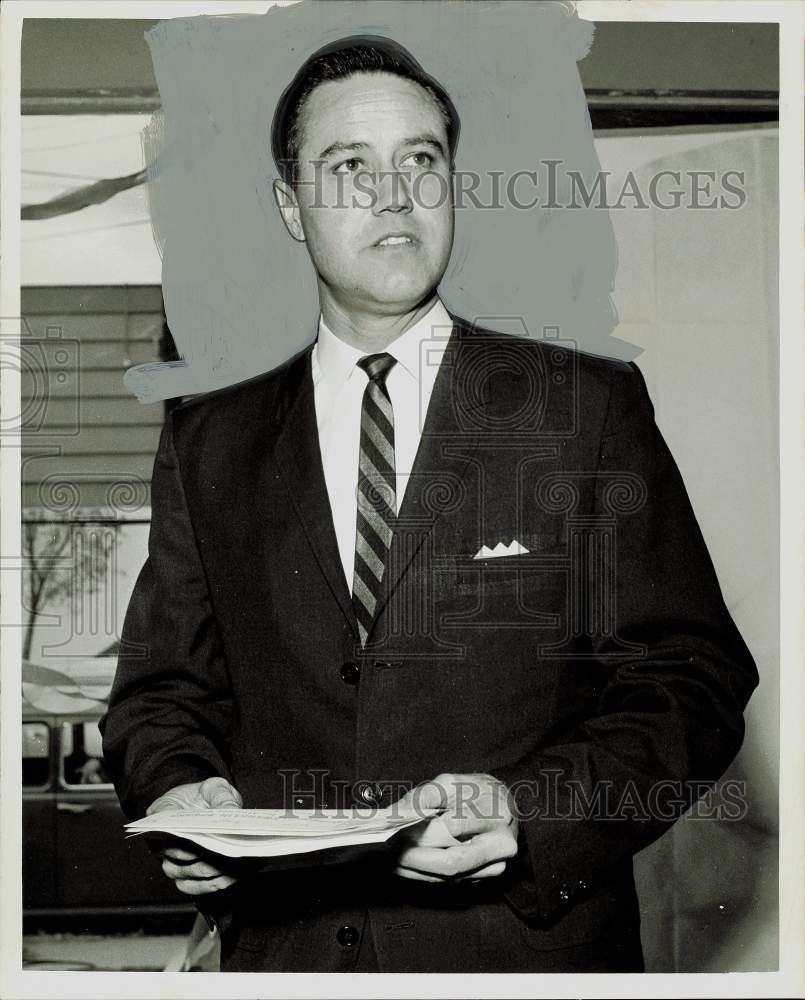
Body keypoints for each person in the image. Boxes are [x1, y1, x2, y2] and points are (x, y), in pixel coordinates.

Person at [101, 37, 758, 973]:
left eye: (421, 160)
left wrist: (530, 813)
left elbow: (690, 678)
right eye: (349, 167)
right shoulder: (213, 438)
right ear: (290, 208)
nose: (393, 193)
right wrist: (178, 788)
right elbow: (163, 690)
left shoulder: (582, 409)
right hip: (288, 958)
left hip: (518, 955)